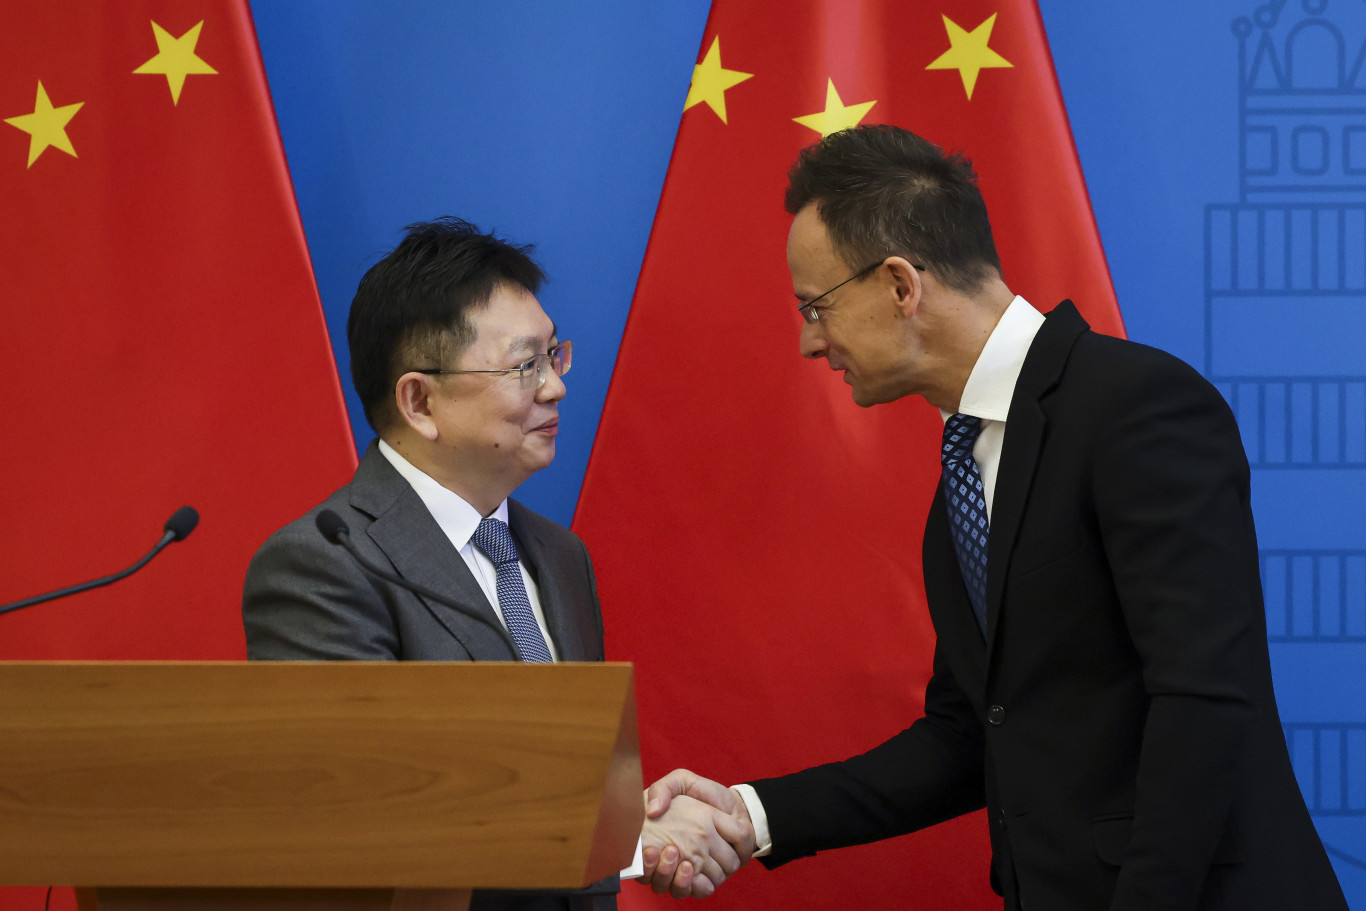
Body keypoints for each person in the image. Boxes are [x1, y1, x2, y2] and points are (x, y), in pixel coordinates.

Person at [640, 126, 1348, 910]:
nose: (812, 341)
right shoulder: (964, 481)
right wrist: (750, 815)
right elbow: (967, 735)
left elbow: (1203, 699)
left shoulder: (1138, 407)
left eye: (817, 306)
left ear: (900, 286)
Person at [242, 217, 742, 910]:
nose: (555, 387)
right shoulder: (324, 564)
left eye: (553, 355)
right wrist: (627, 844)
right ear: (419, 401)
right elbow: (370, 814)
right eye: (524, 365)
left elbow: (565, 779)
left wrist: (640, 826)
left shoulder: (560, 556)